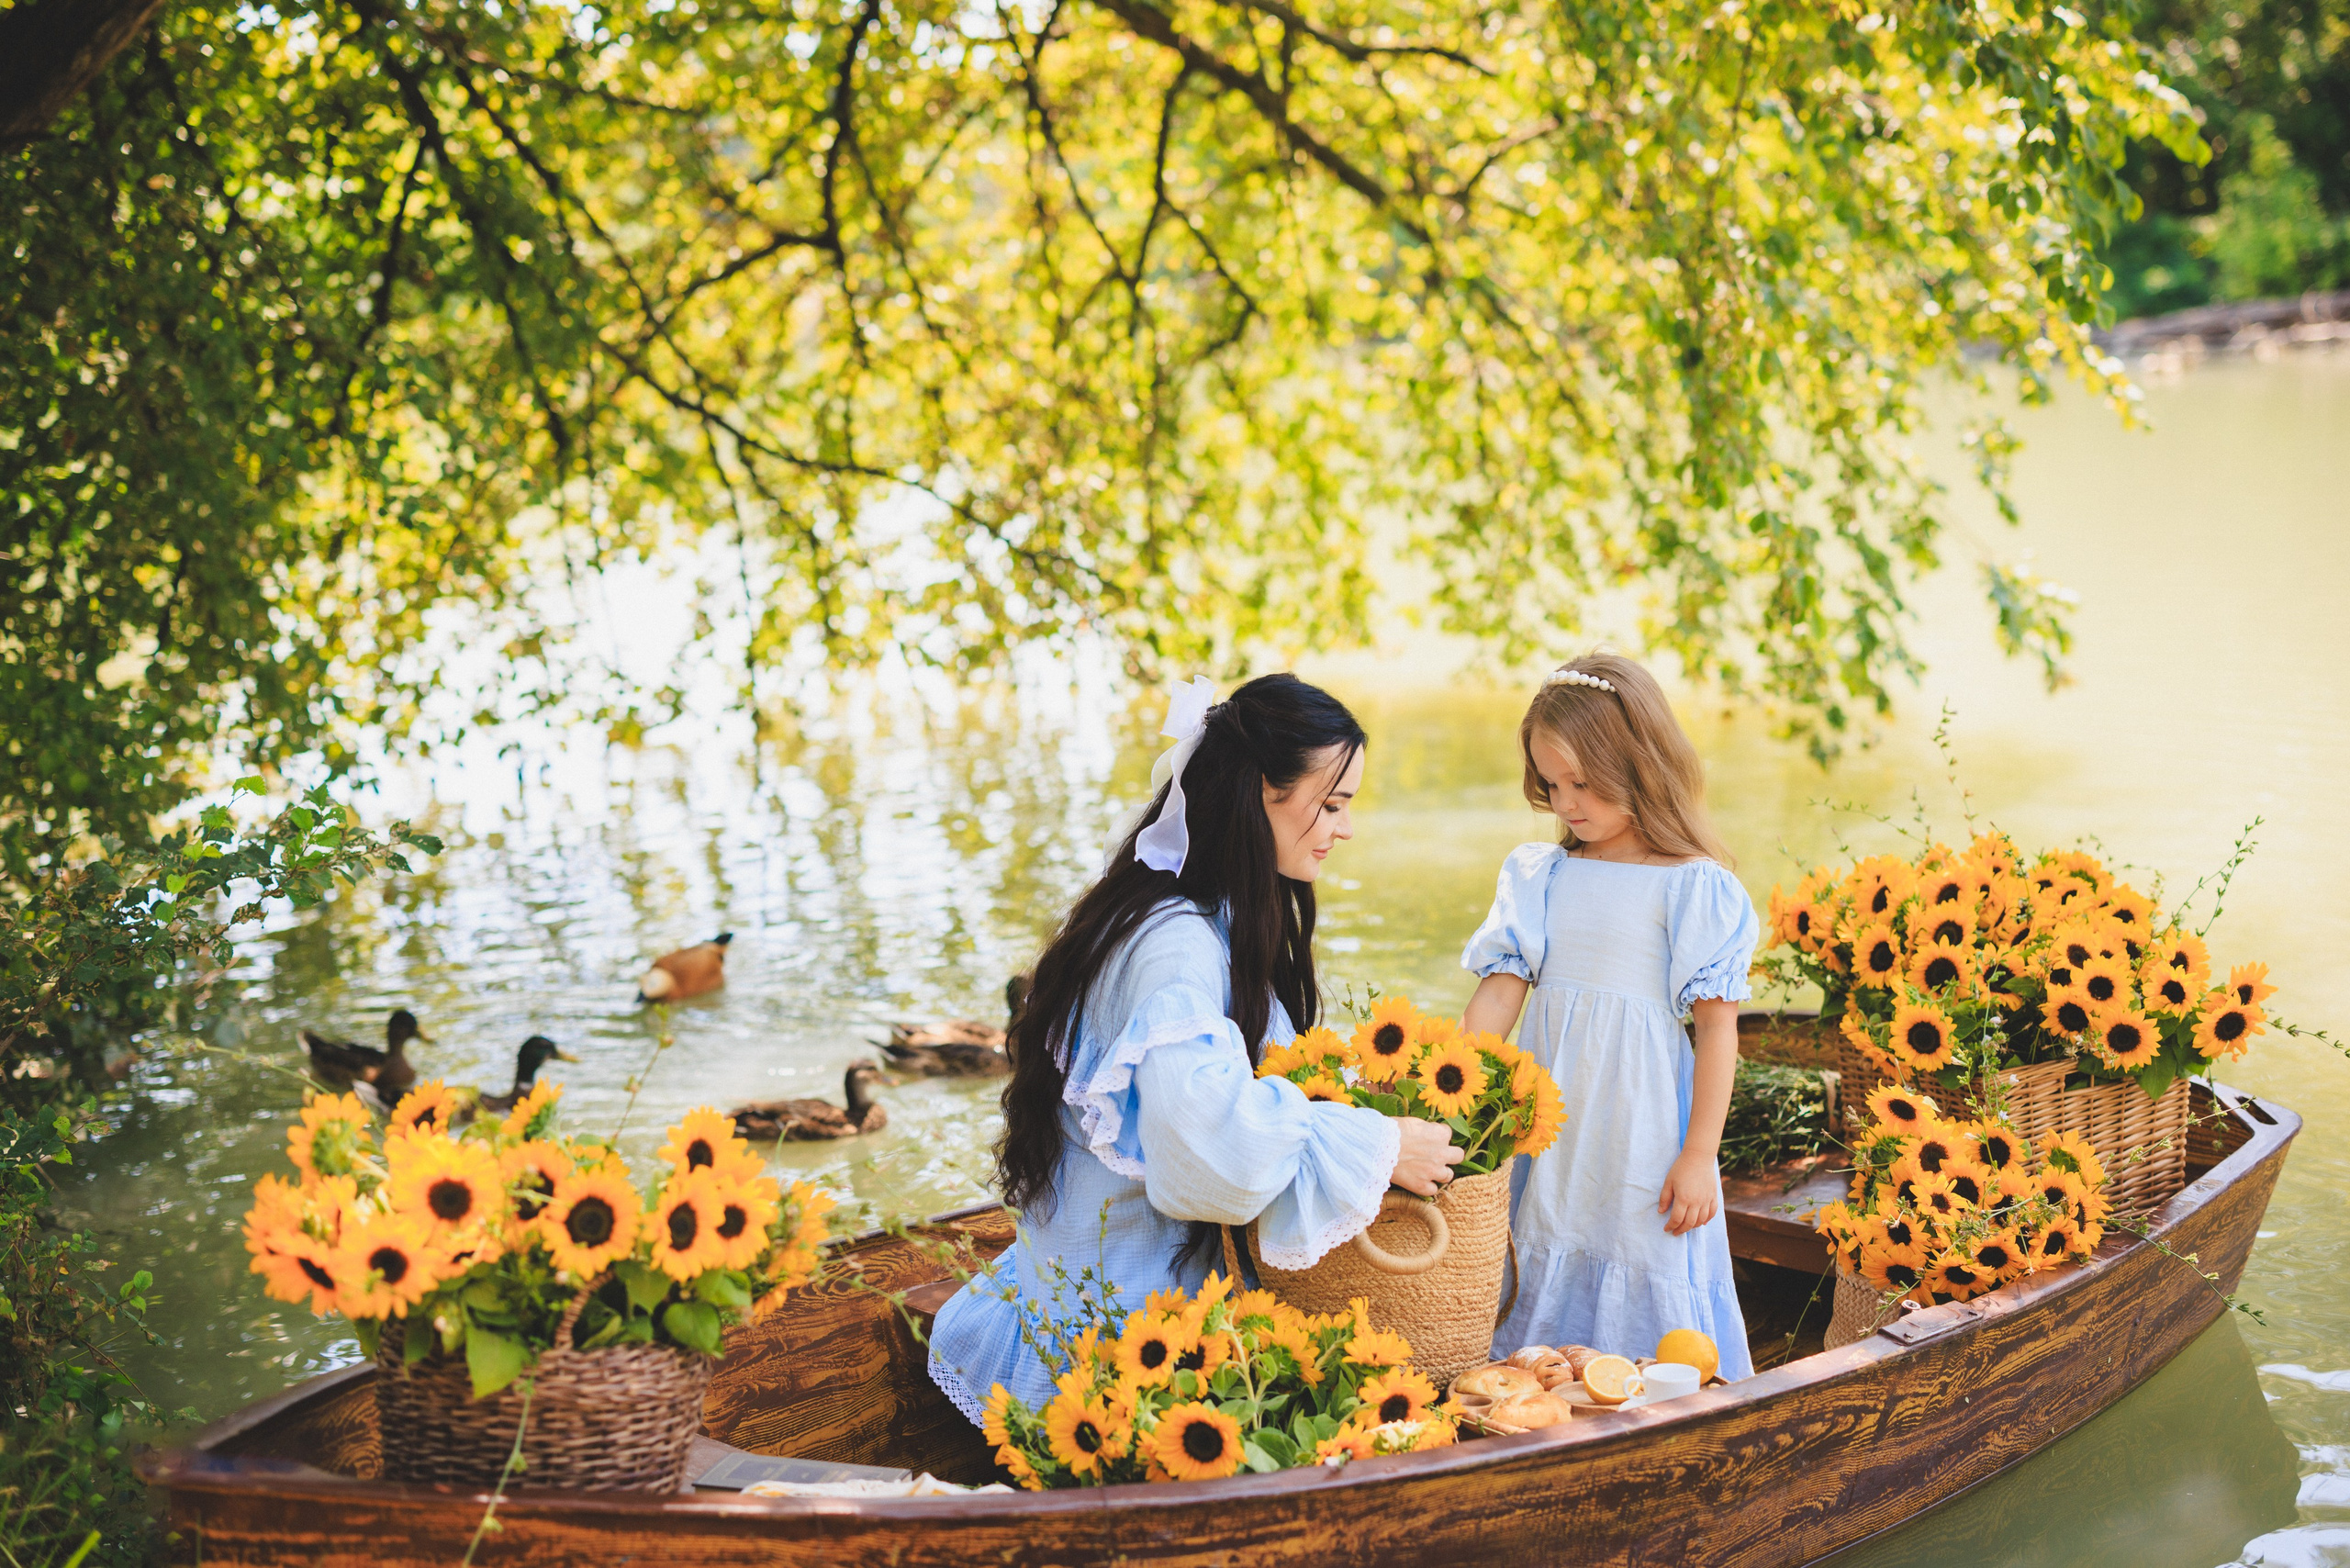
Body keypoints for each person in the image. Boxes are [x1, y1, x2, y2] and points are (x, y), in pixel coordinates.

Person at [927, 674, 1462, 1426]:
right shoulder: (1176, 946)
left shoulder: (1186, 907)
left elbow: (1246, 1084)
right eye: (1333, 804)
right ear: (1260, 795)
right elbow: (1208, 1154)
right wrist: (1382, 1143)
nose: (1344, 829)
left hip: (1112, 1280)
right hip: (1128, 1342)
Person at [1460, 653, 1760, 1378]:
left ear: (1640, 765)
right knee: (1545, 1224)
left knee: (1636, 1237)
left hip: (1641, 1126)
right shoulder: (1543, 875)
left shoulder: (1691, 886)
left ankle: (1654, 1394)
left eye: (1583, 783)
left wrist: (1699, 1156)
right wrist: (1443, 1085)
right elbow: (1500, 994)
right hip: (1552, 1118)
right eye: (1551, 784)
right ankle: (1536, 1389)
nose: (1566, 803)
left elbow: (1717, 1030)